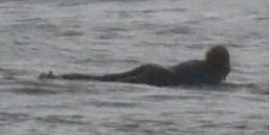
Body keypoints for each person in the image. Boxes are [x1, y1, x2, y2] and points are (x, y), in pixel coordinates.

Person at [38, 45, 231, 89]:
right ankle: (58, 80)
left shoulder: (198, 64)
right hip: (158, 78)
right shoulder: (213, 77)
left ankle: (59, 78)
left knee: (104, 79)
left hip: (155, 69)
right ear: (223, 64)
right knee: (108, 85)